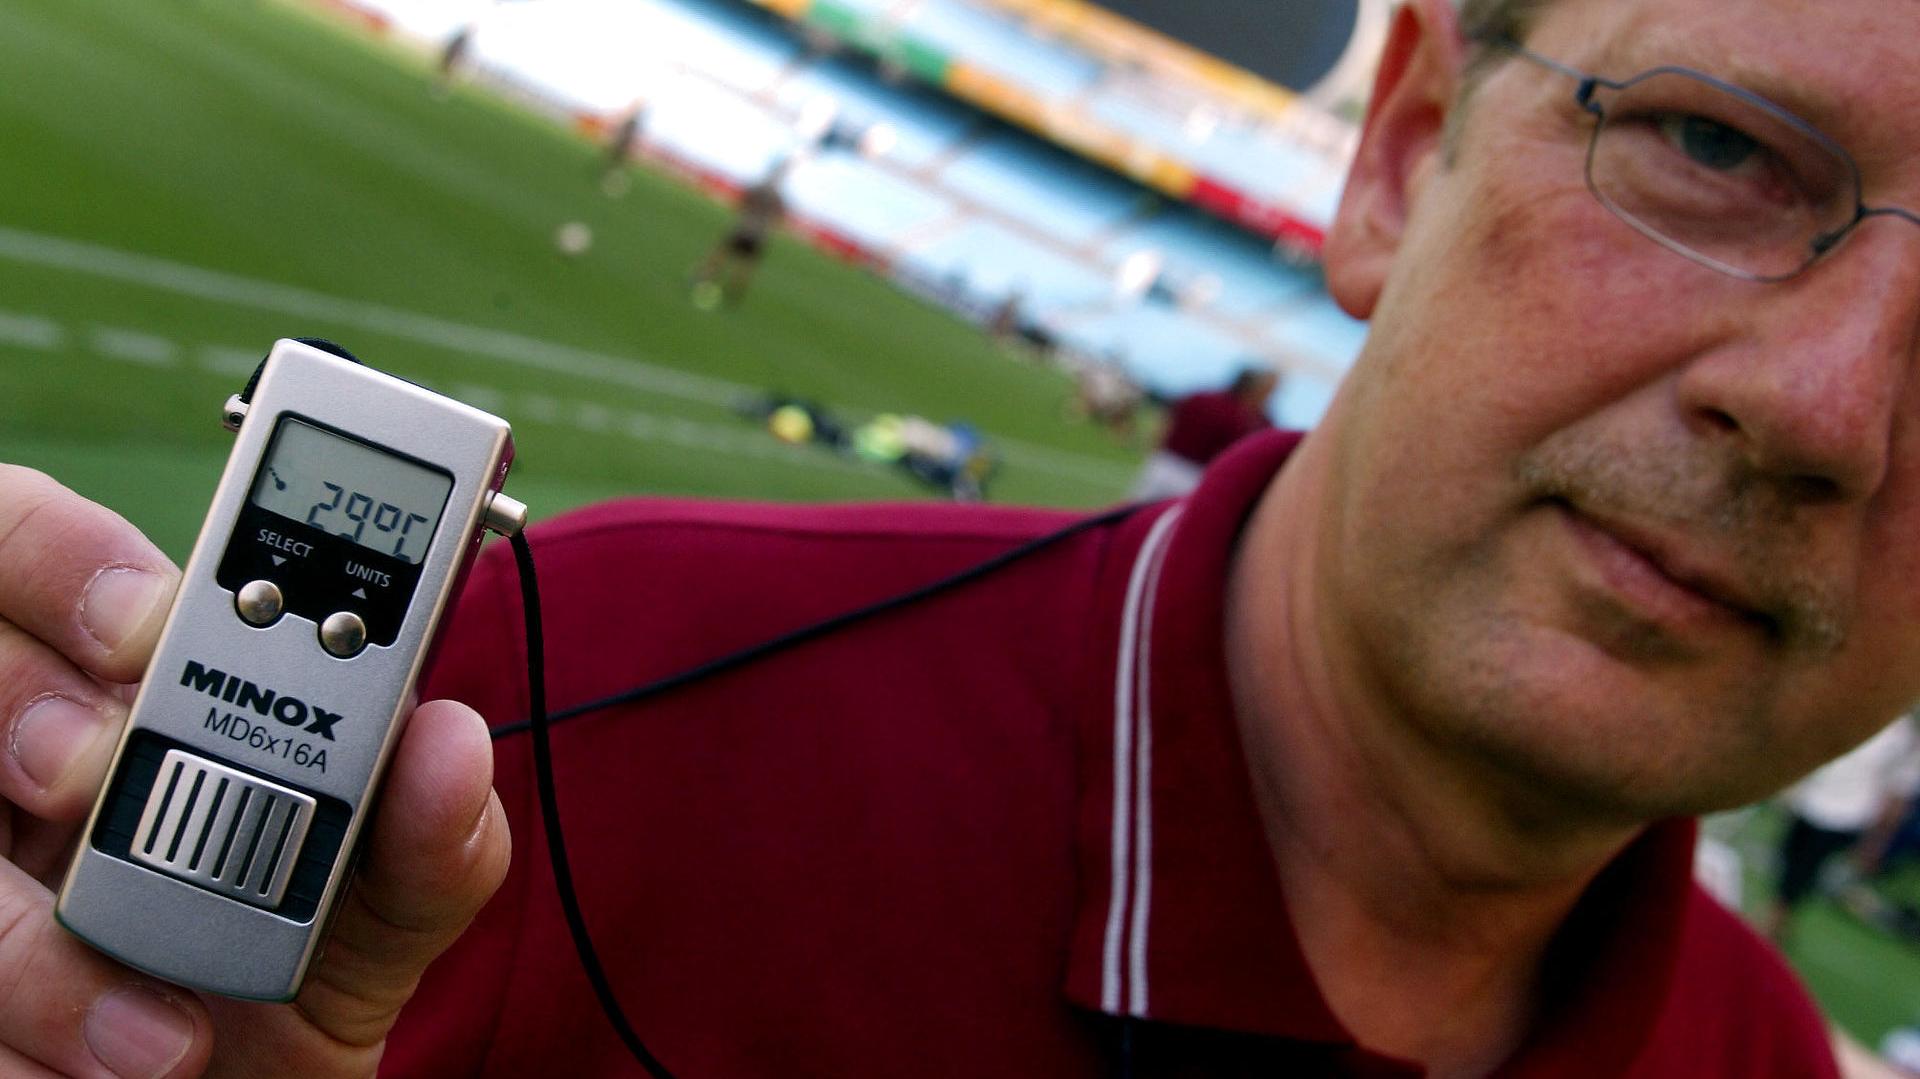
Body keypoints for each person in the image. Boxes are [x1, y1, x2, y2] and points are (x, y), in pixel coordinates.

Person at [3, 0, 1918, 1074]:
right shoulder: (553, 720)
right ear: (1403, 150)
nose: (1829, 410)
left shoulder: (1769, 1057)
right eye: (1720, 149)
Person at [1762, 713, 1920, 941]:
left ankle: (1776, 918)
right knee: (1790, 855)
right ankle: (1781, 918)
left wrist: (1878, 838)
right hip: (1813, 799)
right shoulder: (1857, 714)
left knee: (1806, 865)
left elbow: (1898, 792)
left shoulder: (1903, 739)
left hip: (1850, 814)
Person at [1129, 366, 1280, 500]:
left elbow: (1168, 422)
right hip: (1193, 475)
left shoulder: (1202, 396)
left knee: (1135, 510)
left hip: (1165, 462)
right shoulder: (1240, 417)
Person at [689, 158, 790, 311]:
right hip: (760, 234)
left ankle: (704, 276)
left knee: (722, 252)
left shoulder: (759, 187)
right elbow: (779, 217)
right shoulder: (778, 197)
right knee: (745, 264)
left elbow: (743, 202)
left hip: (745, 226)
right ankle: (734, 293)